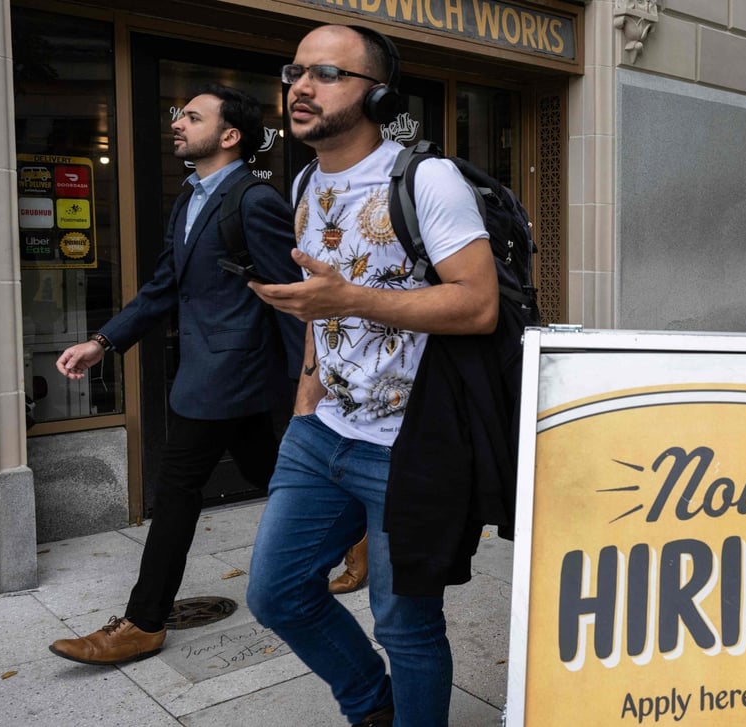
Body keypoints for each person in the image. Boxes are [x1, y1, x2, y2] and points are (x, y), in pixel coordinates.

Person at [244, 24, 498, 727]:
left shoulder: (424, 178)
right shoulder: (301, 180)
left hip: (409, 447)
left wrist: (347, 299)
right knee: (276, 592)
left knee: (406, 626)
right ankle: (371, 706)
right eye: (295, 70)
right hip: (320, 434)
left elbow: (478, 304)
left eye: (326, 74)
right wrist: (306, 389)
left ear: (376, 94)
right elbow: (318, 305)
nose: (301, 86)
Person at [48, 84, 304, 666]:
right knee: (272, 473)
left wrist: (304, 386)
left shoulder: (254, 200)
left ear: (230, 135)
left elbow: (290, 300)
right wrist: (102, 341)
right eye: (179, 115)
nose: (178, 124)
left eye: (192, 116)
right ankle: (354, 536)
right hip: (208, 371)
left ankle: (143, 621)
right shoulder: (188, 196)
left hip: (228, 375)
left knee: (176, 489)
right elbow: (165, 285)